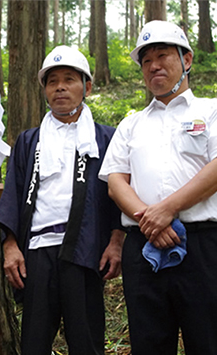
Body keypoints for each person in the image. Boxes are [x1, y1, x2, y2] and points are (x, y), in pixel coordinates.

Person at [0, 45, 124, 355]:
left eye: (69, 79)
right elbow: (12, 191)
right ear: (45, 91)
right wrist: (9, 245)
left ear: (87, 87)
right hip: (37, 252)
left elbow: (120, 194)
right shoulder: (29, 140)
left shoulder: (106, 138)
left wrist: (116, 241)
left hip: (86, 249)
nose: (60, 87)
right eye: (52, 81)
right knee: (34, 342)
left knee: (87, 339)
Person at [98, 20, 217, 354]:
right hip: (143, 249)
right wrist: (149, 220)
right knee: (149, 342)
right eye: (146, 60)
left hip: (203, 246)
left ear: (187, 59)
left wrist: (166, 210)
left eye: (163, 56)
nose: (154, 66)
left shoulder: (211, 111)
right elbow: (116, 182)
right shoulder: (131, 123)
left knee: (208, 339)